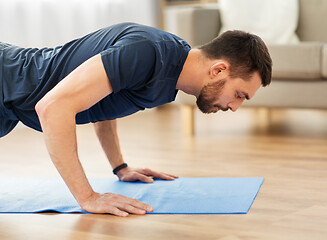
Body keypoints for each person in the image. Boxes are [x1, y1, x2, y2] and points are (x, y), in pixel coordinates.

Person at [0, 22, 272, 216]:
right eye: (239, 94)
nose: (235, 107)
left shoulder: (171, 71)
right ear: (218, 69)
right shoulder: (148, 52)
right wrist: (88, 197)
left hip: (9, 104)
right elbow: (52, 107)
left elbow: (100, 103)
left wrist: (120, 167)